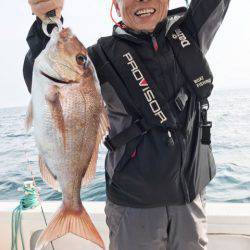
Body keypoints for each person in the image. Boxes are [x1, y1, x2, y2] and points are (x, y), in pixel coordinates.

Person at [23, 0, 231, 249]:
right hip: (133, 207)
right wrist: (45, 19)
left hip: (190, 203)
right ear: (116, 5)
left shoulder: (188, 36)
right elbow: (45, 77)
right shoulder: (98, 59)